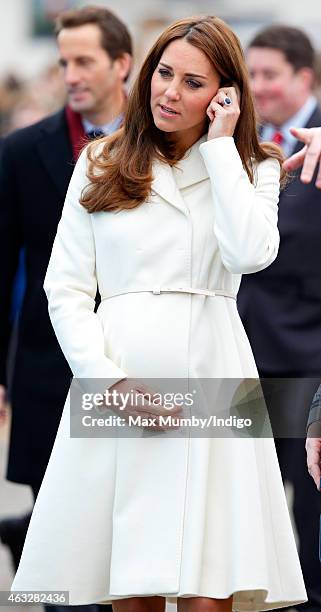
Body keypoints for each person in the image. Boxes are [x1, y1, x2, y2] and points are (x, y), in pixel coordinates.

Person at [11, 15, 307, 612]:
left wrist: (223, 148)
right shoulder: (100, 160)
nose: (171, 91)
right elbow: (64, 287)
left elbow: (250, 254)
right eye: (165, 73)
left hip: (218, 374)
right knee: (132, 583)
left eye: (194, 83)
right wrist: (106, 379)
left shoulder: (254, 166)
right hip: (120, 380)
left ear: (225, 95)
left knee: (212, 587)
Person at [0, 5, 132, 612]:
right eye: (62, 62)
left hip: (134, 364)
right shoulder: (24, 151)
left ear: (122, 64)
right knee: (56, 544)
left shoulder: (167, 150)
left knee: (126, 527)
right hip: (47, 368)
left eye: (85, 61)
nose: (70, 74)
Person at [237, 25, 321, 611]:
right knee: (246, 500)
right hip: (242, 353)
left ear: (305, 78)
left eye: (271, 75)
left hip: (309, 355)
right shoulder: (242, 143)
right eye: (253, 75)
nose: (259, 87)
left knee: (311, 500)